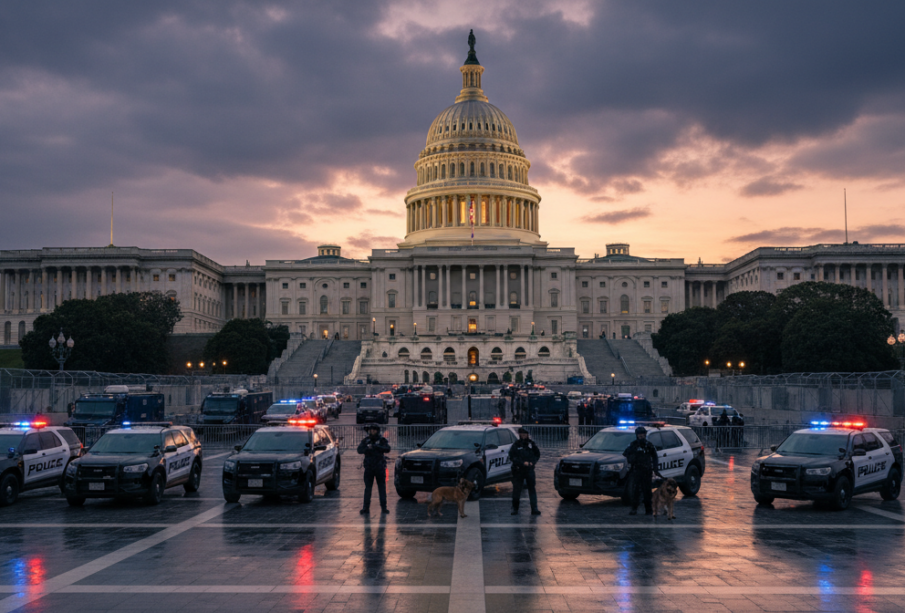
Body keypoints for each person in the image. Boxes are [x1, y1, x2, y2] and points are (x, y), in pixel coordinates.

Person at [622, 426, 662, 516]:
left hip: (647, 471)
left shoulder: (649, 445)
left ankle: (648, 509)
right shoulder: (633, 445)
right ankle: (634, 508)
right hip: (636, 471)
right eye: (640, 435)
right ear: (637, 435)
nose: (641, 437)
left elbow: (655, 457)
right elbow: (626, 454)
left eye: (643, 435)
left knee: (647, 491)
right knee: (635, 491)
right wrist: (632, 458)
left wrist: (655, 468)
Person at [357, 424, 391, 515]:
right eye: (371, 430)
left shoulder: (381, 440)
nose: (372, 432)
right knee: (368, 488)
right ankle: (365, 508)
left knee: (382, 488)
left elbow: (388, 449)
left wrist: (377, 447)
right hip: (369, 467)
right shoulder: (366, 440)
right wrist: (367, 448)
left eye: (374, 430)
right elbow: (359, 450)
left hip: (379, 467)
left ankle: (384, 507)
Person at [508, 427, 541, 515]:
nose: (523, 435)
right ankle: (515, 508)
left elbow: (537, 454)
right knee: (517, 490)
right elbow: (512, 457)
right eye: (521, 434)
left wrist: (532, 462)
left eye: (525, 434)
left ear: (527, 434)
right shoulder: (516, 445)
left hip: (529, 470)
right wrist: (522, 463)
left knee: (532, 489)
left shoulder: (531, 444)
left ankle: (534, 508)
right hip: (518, 470)